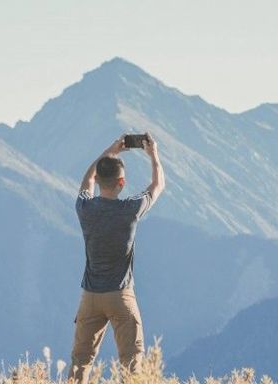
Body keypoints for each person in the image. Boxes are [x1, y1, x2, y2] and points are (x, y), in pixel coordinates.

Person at [68, 132, 165, 384]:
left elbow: (87, 180)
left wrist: (110, 151)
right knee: (131, 363)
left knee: (80, 362)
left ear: (99, 179)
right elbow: (158, 186)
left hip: (90, 297)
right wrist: (153, 155)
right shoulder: (130, 209)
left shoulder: (84, 208)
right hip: (121, 296)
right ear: (121, 183)